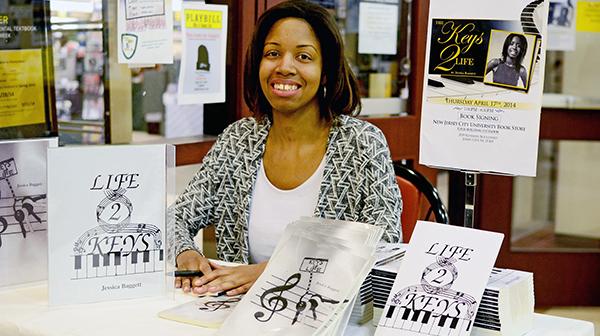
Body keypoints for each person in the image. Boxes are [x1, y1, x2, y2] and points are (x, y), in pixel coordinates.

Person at [172, 0, 402, 297]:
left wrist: (275, 272)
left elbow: (383, 248)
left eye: (304, 56)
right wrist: (185, 253)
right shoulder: (237, 140)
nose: (284, 67)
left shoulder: (362, 144)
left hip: (322, 316)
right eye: (272, 53)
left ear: (326, 71)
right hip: (233, 311)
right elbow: (176, 217)